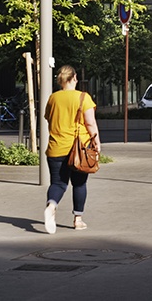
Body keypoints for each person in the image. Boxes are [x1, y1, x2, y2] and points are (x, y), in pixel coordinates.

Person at [43, 64, 101, 233]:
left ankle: (51, 205)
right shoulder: (84, 97)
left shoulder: (53, 98)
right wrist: (96, 141)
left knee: (58, 183)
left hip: (55, 148)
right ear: (74, 78)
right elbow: (90, 122)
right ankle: (78, 220)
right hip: (79, 150)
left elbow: (48, 118)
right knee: (79, 184)